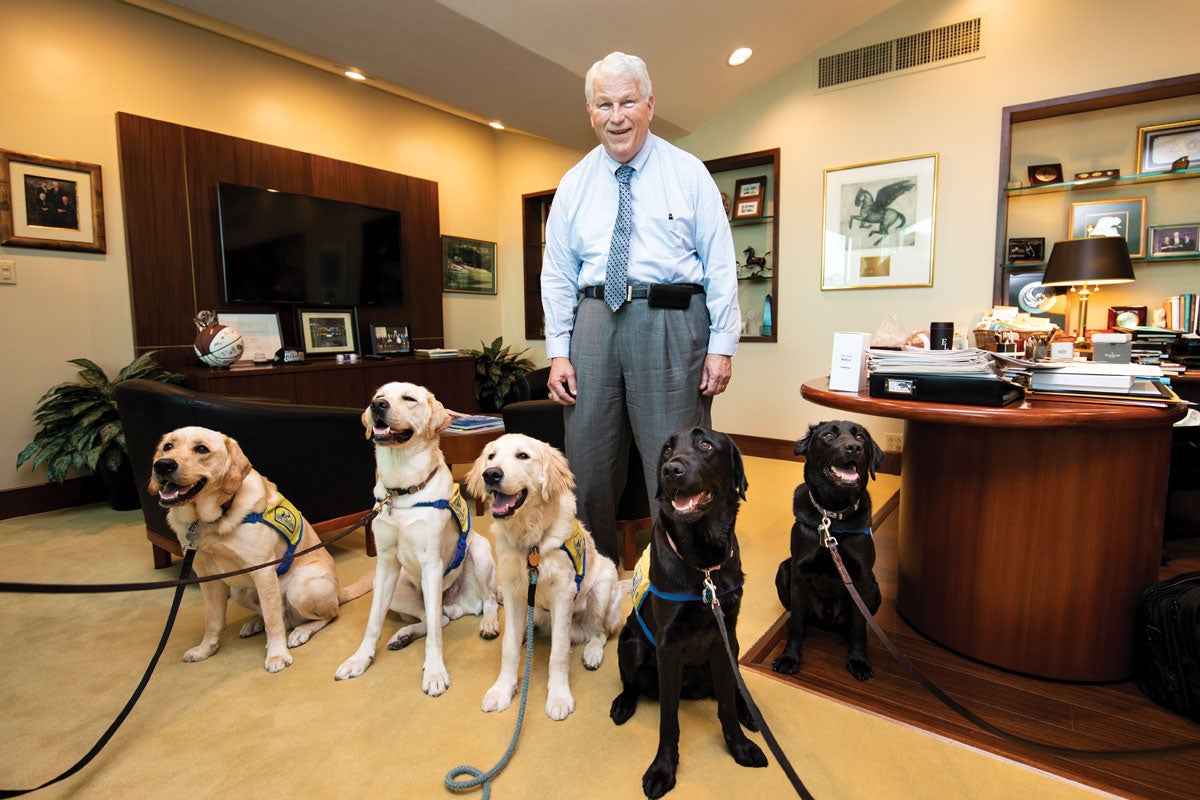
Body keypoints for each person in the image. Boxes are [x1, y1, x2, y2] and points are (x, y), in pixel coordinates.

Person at [540, 51, 740, 562]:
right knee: (587, 462)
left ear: (649, 104)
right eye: (604, 104)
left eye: (627, 101)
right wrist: (559, 352)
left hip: (672, 323)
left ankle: (683, 577)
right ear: (590, 111)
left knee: (678, 462)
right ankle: (592, 577)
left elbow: (720, 265)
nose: (617, 115)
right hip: (593, 324)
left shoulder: (688, 172)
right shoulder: (573, 184)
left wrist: (721, 346)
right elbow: (558, 275)